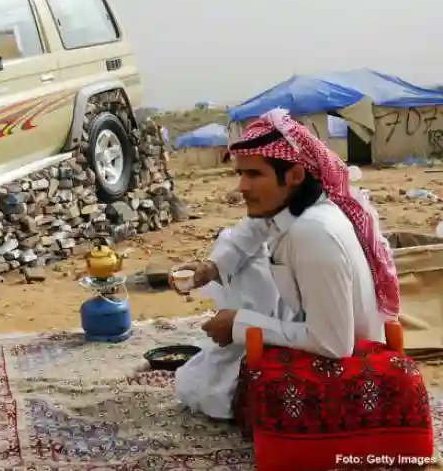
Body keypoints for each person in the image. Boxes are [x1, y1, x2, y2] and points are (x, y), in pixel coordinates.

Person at [172, 108, 432, 467]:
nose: (241, 187)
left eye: (253, 174)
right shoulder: (296, 208)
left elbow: (335, 344)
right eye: (239, 174)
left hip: (339, 350)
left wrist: (238, 325)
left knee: (203, 386)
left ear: (294, 174)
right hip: (317, 323)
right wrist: (210, 268)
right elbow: (251, 230)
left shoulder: (312, 233)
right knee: (241, 256)